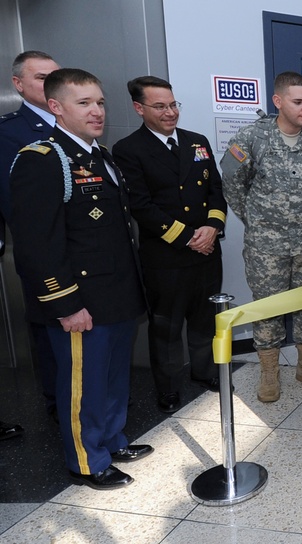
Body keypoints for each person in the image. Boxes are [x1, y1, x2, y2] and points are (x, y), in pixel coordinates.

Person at [8, 68, 152, 490]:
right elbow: (37, 243)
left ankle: (112, 439)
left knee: (111, 376)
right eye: (84, 103)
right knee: (83, 385)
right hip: (80, 298)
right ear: (56, 107)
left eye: (100, 102)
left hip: (116, 293)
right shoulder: (43, 159)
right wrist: (65, 303)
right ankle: (87, 461)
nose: (96, 111)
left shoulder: (100, 157)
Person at [221, 71, 302, 403]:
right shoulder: (251, 138)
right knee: (268, 308)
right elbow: (231, 182)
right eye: (298, 101)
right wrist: (256, 220)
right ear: (278, 101)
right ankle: (269, 372)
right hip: (266, 247)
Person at [112, 76, 227, 413]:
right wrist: (188, 237)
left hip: (207, 252)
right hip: (167, 256)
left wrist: (212, 227)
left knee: (206, 319)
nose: (170, 112)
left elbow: (215, 191)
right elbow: (141, 205)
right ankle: (168, 387)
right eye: (160, 106)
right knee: (167, 326)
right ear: (139, 108)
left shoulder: (197, 142)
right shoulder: (128, 149)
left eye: (173, 104)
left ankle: (205, 372)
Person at [0, 50, 61, 422]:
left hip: (88, 251)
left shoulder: (77, 122)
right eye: (41, 77)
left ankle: (91, 395)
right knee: (50, 325)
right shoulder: (8, 133)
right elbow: (14, 202)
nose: (50, 82)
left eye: (56, 75)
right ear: (19, 85)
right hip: (44, 250)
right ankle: (58, 399)